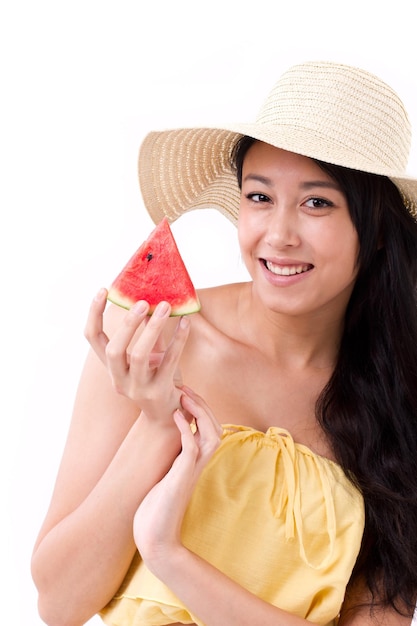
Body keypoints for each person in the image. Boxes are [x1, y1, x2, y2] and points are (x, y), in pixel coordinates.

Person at [31, 61, 417, 626]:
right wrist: (158, 422)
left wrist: (171, 557)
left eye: (317, 203)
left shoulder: (397, 396)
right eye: (259, 197)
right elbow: (58, 603)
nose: (278, 235)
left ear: (378, 227)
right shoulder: (152, 340)